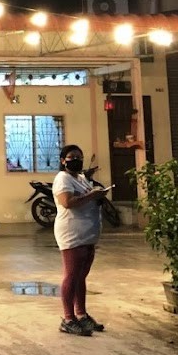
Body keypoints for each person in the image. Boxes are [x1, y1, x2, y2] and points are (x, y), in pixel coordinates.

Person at [52, 144, 107, 336]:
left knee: (80, 276)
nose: (76, 160)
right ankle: (68, 319)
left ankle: (81, 315)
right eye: (72, 157)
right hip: (72, 234)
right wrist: (92, 195)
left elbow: (86, 197)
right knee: (72, 275)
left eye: (79, 157)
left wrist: (98, 196)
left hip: (87, 234)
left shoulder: (81, 178)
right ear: (63, 160)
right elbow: (67, 202)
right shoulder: (63, 178)